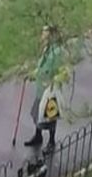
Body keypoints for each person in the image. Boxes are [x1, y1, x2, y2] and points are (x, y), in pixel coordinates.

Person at [23, 25, 65, 155]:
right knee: (38, 113)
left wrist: (54, 80)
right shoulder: (47, 49)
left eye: (44, 33)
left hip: (51, 90)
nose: (42, 35)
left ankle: (51, 142)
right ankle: (38, 135)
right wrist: (32, 75)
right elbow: (41, 67)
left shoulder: (58, 52)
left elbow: (63, 71)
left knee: (50, 116)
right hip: (41, 88)